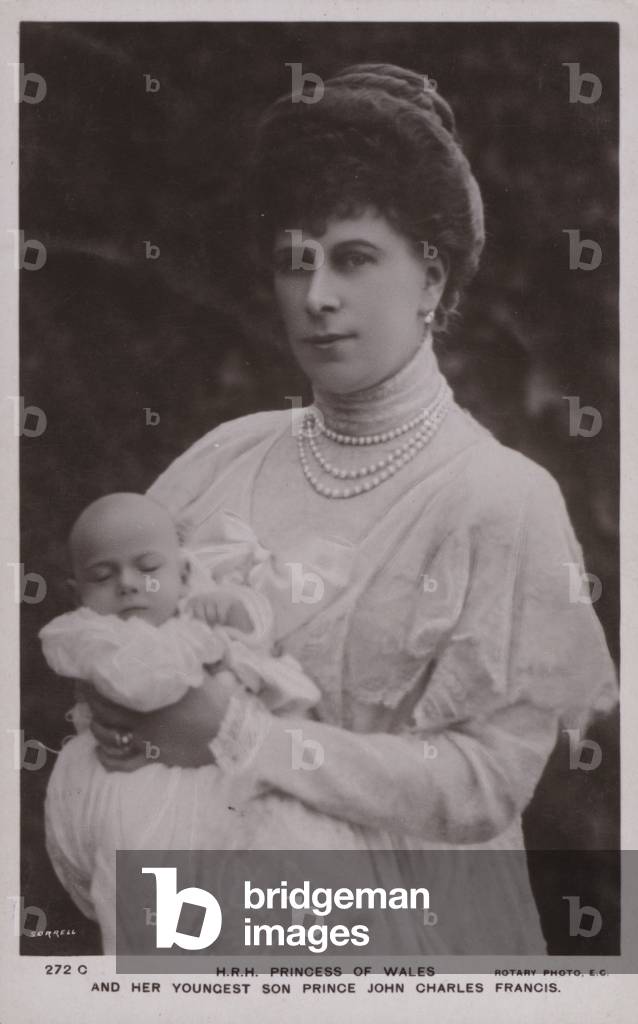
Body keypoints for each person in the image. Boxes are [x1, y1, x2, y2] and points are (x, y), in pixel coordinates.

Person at [82, 63, 618, 953]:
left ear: (433, 279)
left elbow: (485, 783)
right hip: (215, 941)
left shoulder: (500, 498)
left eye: (355, 258)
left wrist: (248, 736)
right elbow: (124, 641)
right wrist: (121, 713)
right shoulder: (225, 458)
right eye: (296, 262)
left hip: (419, 948)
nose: (318, 296)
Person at [42, 492, 370, 954]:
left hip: (225, 773)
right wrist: (204, 640)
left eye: (148, 568)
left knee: (275, 863)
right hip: (142, 780)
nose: (128, 584)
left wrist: (230, 610)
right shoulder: (84, 635)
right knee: (154, 886)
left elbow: (259, 629)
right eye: (103, 575)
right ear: (77, 593)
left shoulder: (195, 604)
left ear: (183, 572)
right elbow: (142, 684)